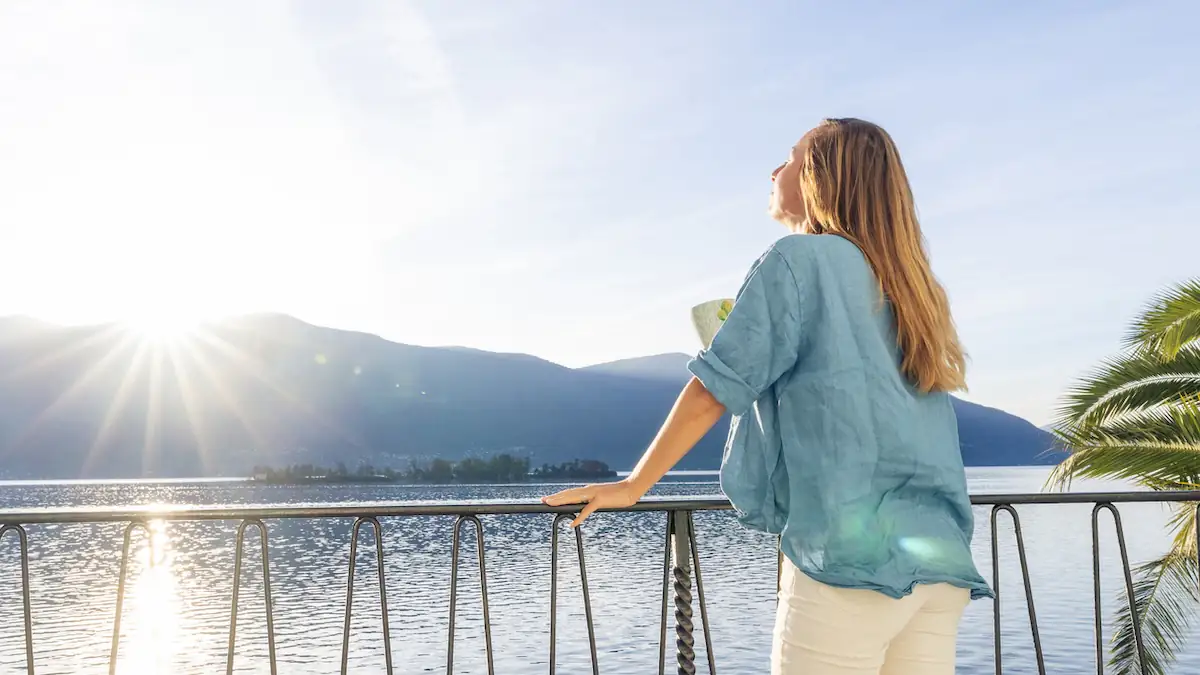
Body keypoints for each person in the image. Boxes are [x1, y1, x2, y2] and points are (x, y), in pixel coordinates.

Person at [543, 118, 992, 675]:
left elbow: (714, 388)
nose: (774, 170)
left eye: (791, 155)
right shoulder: (911, 285)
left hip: (851, 566)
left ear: (820, 178)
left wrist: (635, 485)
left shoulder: (798, 260)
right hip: (938, 561)